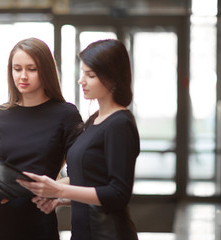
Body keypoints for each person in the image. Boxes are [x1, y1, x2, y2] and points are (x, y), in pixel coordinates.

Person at [18, 39, 140, 240]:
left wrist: (60, 189)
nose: (81, 80)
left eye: (90, 75)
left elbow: (118, 194)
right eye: (82, 73)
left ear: (112, 77)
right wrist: (59, 197)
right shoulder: (95, 119)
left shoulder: (120, 124)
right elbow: (89, 178)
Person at [0, 38, 82, 240]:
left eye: (31, 69)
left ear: (46, 70)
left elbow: (81, 175)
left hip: (40, 221)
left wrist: (56, 190)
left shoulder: (66, 114)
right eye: (17, 69)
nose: (23, 76)